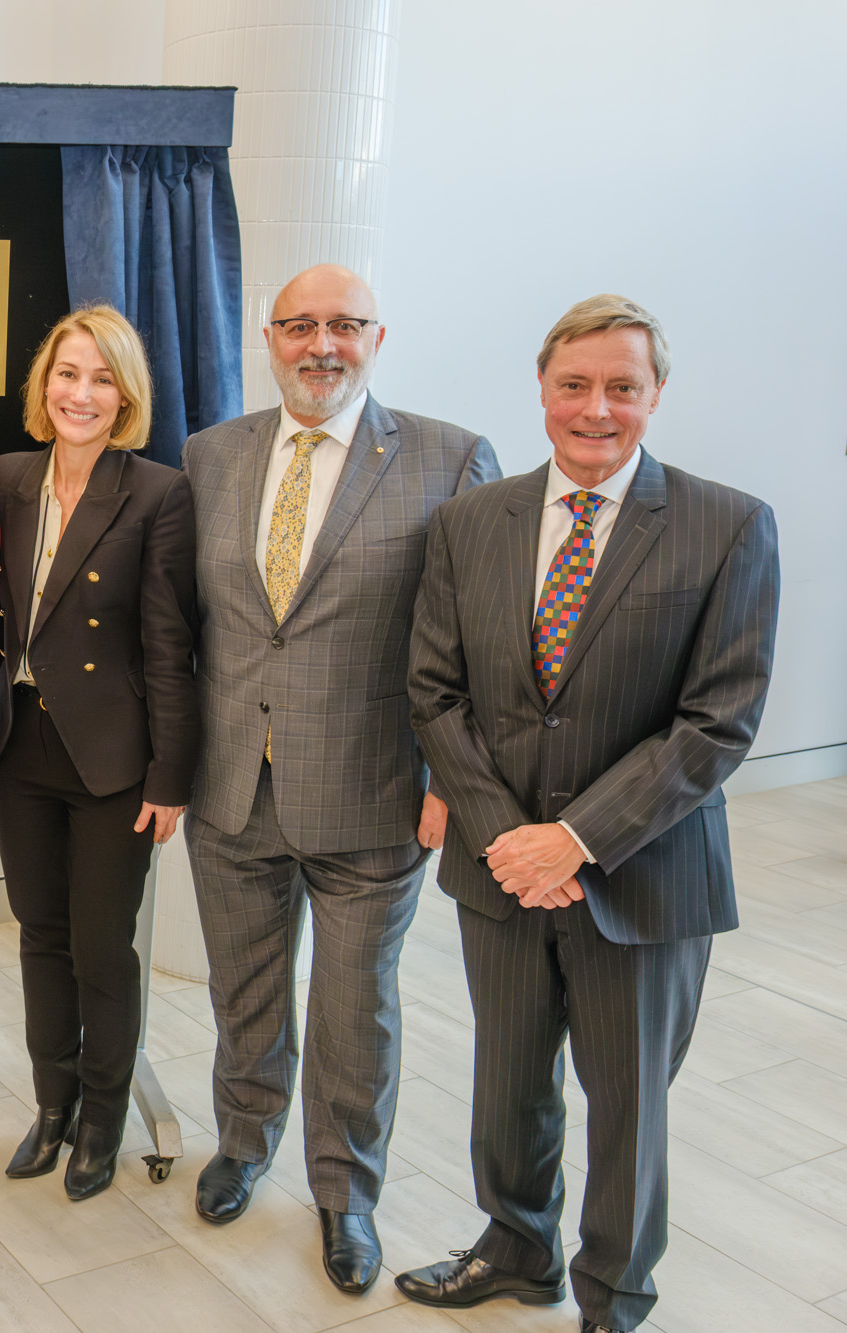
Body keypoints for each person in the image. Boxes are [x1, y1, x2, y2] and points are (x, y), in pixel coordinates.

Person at [397, 296, 779, 1333]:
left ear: (655, 394)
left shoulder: (726, 523)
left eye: (621, 387)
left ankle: (613, 1292)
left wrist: (572, 839)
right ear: (541, 388)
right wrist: (507, 839)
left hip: (643, 876)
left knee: (626, 1103)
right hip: (498, 867)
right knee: (506, 1081)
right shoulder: (471, 523)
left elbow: (716, 722)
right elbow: (433, 692)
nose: (595, 408)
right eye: (574, 384)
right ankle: (516, 1246)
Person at [180, 263, 501, 1293]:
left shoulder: (448, 458)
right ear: (267, 338)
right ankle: (242, 1139)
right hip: (231, 783)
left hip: (375, 792)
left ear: (375, 336)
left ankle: (343, 1191)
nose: (321, 344)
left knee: (355, 1004)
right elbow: (187, 626)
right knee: (244, 990)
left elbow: (477, 642)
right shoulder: (206, 456)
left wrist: (455, 779)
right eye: (299, 325)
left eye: (343, 325)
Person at [0, 306, 199, 1199]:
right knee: (40, 933)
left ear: (127, 395)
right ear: (44, 385)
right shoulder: (3, 478)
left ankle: (103, 1118)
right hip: (17, 742)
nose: (82, 392)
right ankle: (53, 1103)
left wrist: (171, 774)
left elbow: (169, 645)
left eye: (103, 378)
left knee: (102, 948)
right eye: (69, 373)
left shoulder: (157, 491)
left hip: (112, 756)